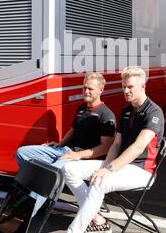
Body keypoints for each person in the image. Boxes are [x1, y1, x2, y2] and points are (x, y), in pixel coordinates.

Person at [36, 66, 164, 233]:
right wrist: (104, 165)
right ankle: (96, 219)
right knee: (69, 169)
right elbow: (115, 144)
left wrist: (108, 169)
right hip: (120, 165)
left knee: (99, 182)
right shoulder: (126, 110)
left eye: (130, 87)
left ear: (143, 86)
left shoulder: (154, 112)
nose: (126, 91)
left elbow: (137, 147)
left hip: (141, 171)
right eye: (124, 87)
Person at [16, 72, 116, 210]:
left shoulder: (106, 115)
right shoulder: (81, 108)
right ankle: (40, 196)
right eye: (84, 88)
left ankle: (28, 211)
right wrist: (60, 144)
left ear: (101, 90)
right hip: (64, 150)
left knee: (50, 173)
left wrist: (77, 155)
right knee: (23, 153)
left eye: (90, 89)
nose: (86, 91)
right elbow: (73, 130)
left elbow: (104, 148)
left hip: (80, 158)